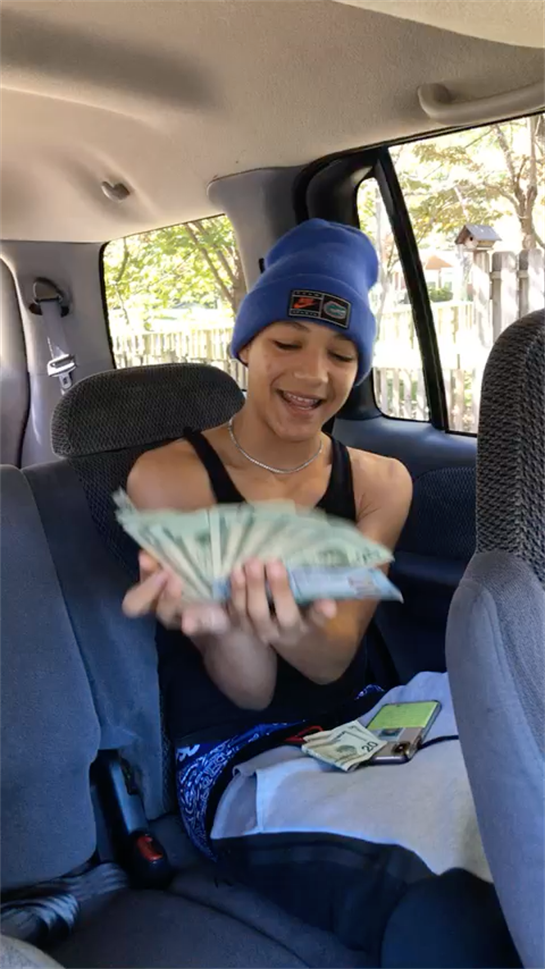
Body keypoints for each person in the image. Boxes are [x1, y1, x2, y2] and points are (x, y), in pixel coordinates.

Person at [122, 220, 520, 967]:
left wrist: (274, 613)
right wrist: (222, 624)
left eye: (341, 354)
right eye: (286, 342)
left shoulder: (380, 482)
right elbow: (249, 691)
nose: (313, 374)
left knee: (517, 801)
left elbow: (333, 657)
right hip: (235, 756)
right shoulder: (169, 475)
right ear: (246, 346)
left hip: (367, 718)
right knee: (449, 906)